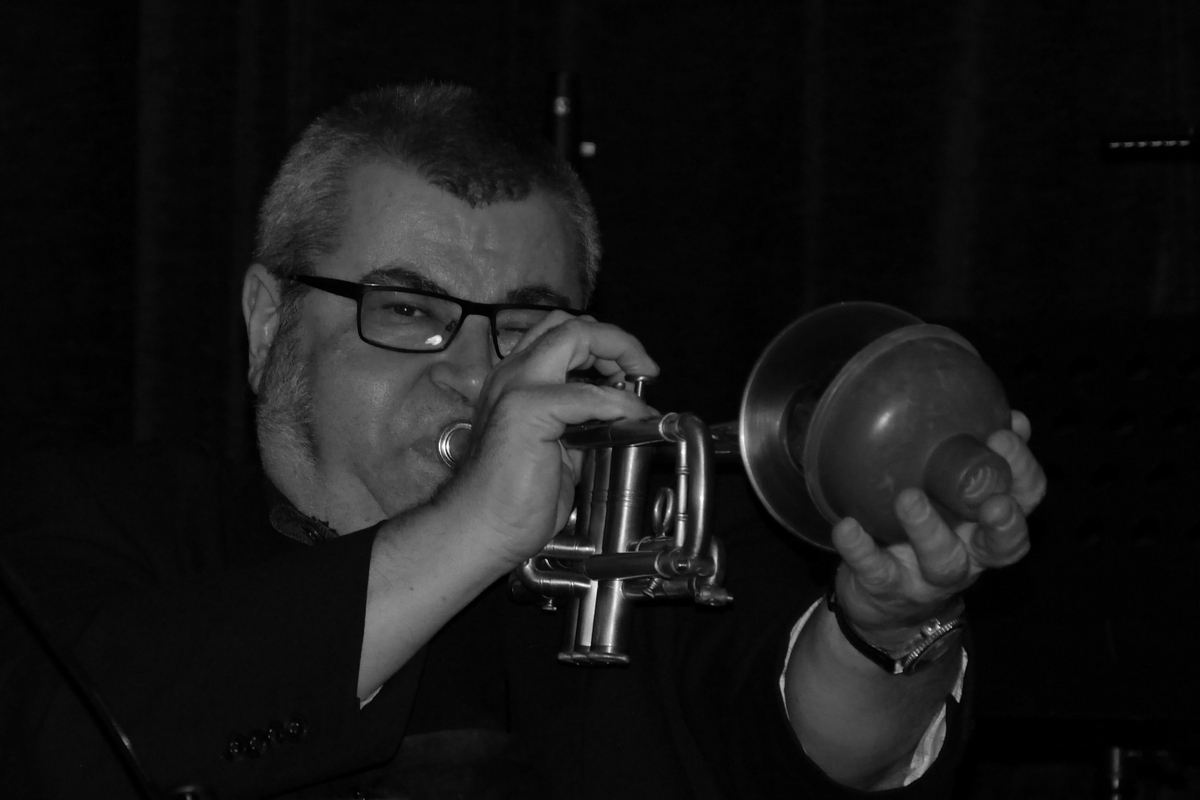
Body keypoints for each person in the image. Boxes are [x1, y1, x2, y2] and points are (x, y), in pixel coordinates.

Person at [0, 83, 1045, 799]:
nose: (475, 375)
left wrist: (894, 625)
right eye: (408, 310)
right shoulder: (94, 517)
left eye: (526, 328)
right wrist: (472, 531)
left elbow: (826, 750)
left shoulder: (651, 547)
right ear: (270, 322)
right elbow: (81, 745)